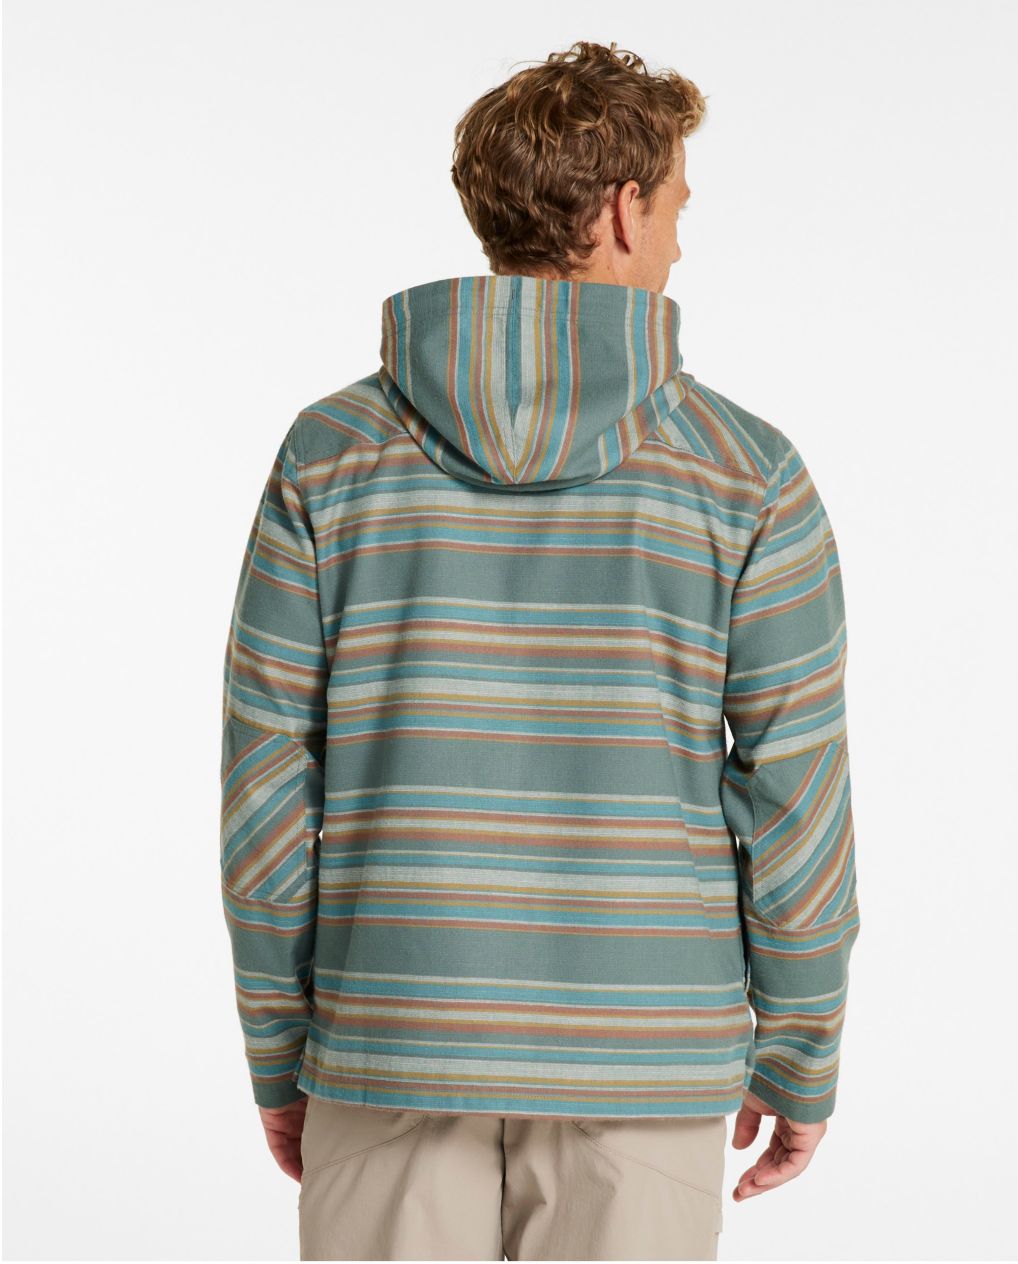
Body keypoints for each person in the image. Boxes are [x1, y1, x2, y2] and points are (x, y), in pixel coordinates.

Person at [219, 39, 860, 1262]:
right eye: (675, 209)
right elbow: (794, 798)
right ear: (622, 210)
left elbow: (265, 790)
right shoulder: (746, 475)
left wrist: (278, 1043)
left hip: (390, 1036)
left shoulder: (329, 455)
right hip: (646, 1060)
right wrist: (797, 1048)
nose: (678, 244)